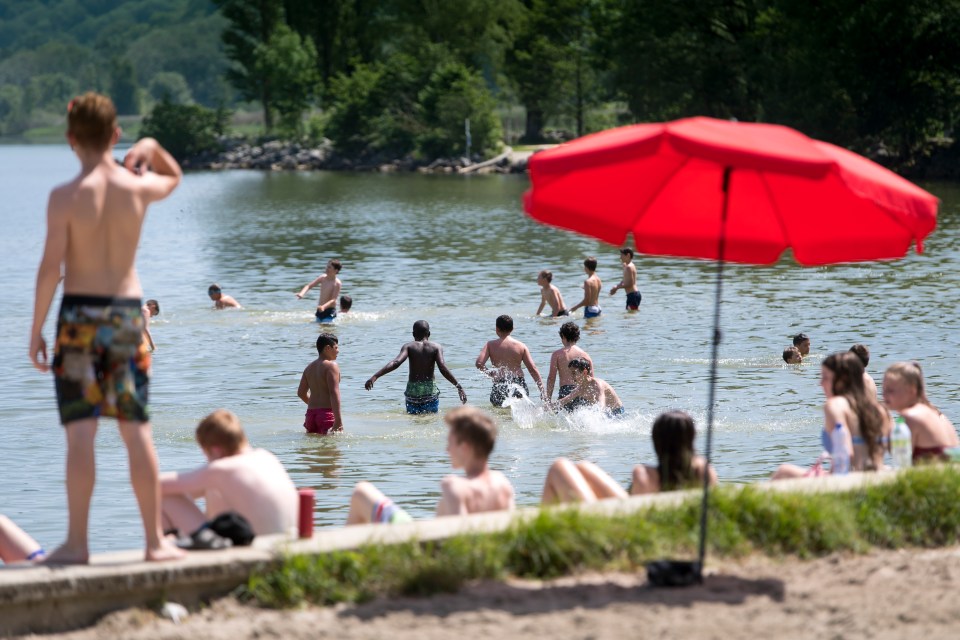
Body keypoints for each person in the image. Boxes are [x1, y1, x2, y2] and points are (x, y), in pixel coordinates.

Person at [28, 92, 184, 563]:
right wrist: (150, 145)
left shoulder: (63, 197)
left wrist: (35, 330)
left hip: (77, 320)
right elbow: (174, 177)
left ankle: (77, 544)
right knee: (136, 431)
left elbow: (48, 268)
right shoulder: (137, 189)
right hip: (125, 314)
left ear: (70, 139)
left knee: (80, 434)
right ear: (116, 135)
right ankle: (155, 544)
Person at [346, 406, 515, 524]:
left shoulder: (454, 487)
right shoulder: (503, 483)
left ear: (465, 448)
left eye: (450, 443)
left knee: (361, 491)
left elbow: (461, 540)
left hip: (422, 548)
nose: (447, 449)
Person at [160, 409, 299, 545]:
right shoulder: (266, 457)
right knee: (213, 490)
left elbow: (154, 484)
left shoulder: (223, 469)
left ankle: (165, 545)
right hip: (286, 545)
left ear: (215, 450)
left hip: (258, 550)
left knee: (163, 496)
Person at [541, 410, 717, 503]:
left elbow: (635, 516)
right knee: (583, 467)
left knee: (560, 465)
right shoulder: (702, 470)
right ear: (691, 440)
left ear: (657, 442)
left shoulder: (645, 475)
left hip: (630, 528)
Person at [772, 351, 890, 480]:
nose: (820, 383)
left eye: (825, 377)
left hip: (850, 477)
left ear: (842, 380)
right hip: (878, 472)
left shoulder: (835, 406)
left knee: (784, 471)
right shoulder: (879, 409)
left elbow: (845, 453)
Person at [365, 320, 467, 414]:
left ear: (413, 334)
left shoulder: (409, 346)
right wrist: (458, 386)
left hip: (413, 392)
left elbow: (396, 363)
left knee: (414, 420)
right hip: (429, 391)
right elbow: (443, 368)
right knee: (430, 419)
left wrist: (375, 376)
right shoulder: (436, 347)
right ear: (429, 334)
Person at [882, 361, 959, 464]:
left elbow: (900, 460)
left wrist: (886, 422)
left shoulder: (911, 416)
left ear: (912, 390)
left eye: (890, 390)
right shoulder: (940, 416)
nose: (884, 395)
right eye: (883, 390)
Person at [476, 315, 546, 407]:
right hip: (518, 384)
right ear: (512, 329)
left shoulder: (490, 345)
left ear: (496, 329)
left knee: (501, 414)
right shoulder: (521, 346)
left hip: (500, 384)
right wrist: (542, 391)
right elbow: (532, 369)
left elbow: (479, 363)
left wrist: (490, 374)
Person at [297, 333, 343, 434]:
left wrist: (315, 407)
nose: (338, 351)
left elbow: (301, 393)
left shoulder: (309, 368)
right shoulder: (332, 366)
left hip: (310, 416)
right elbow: (333, 392)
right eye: (336, 347)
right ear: (327, 348)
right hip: (326, 415)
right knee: (331, 449)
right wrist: (338, 420)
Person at [557, 358, 624, 417]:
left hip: (617, 413)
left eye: (574, 373)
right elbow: (564, 400)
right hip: (606, 413)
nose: (571, 376)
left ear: (584, 372)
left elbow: (601, 406)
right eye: (571, 373)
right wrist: (549, 406)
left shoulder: (597, 385)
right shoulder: (580, 388)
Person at [547, 322, 594, 404]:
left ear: (563, 337)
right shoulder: (586, 356)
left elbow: (551, 378)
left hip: (566, 391)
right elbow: (591, 380)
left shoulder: (557, 354)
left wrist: (548, 399)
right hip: (583, 391)